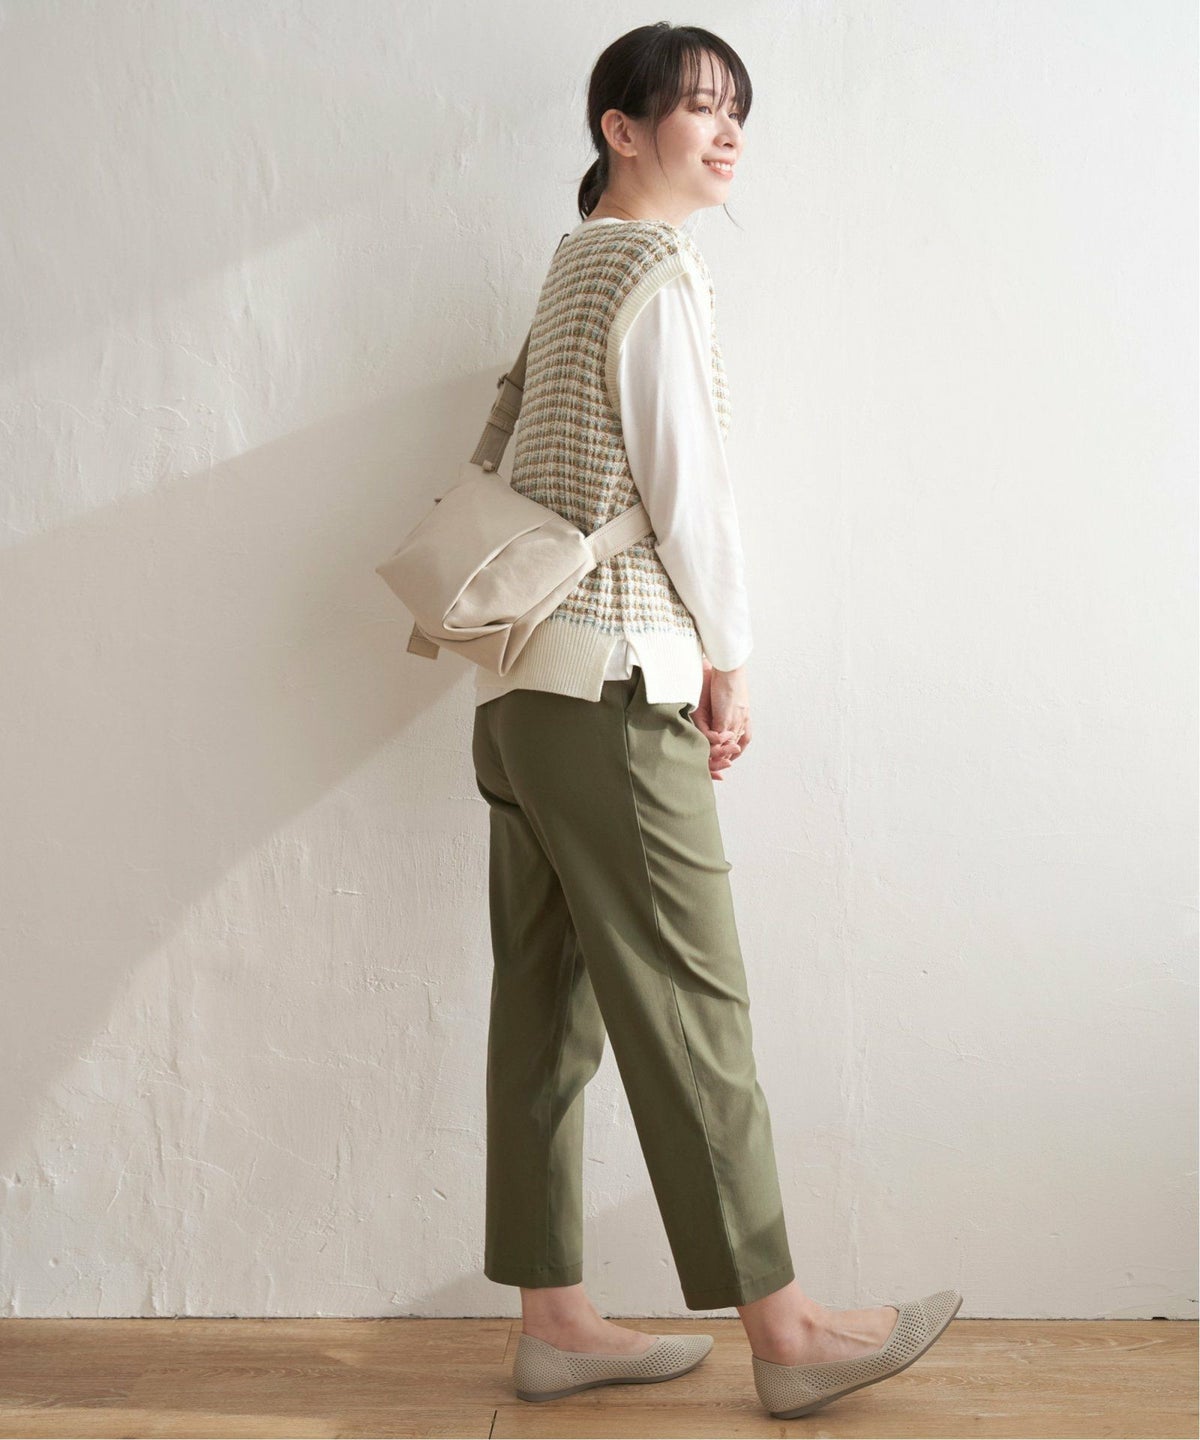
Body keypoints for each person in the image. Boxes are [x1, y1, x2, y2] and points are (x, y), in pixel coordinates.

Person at [469, 22, 962, 1419]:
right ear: (621, 130)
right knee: (695, 1002)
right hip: (616, 683)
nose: (728, 130)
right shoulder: (656, 270)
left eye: (738, 107)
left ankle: (557, 1321)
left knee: (546, 1006)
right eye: (696, 106)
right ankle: (789, 1334)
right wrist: (727, 662)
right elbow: (689, 498)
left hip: (520, 695)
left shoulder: (571, 265)